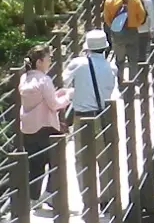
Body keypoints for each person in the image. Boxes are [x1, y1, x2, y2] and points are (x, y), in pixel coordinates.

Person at [17, 43, 72, 211]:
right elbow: (54, 105)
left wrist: (57, 94)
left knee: (35, 166)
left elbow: (41, 100)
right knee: (56, 161)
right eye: (48, 59)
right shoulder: (44, 80)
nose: (50, 62)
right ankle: (50, 194)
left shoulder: (24, 79)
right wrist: (68, 97)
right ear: (39, 62)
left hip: (28, 128)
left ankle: (33, 198)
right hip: (46, 128)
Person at [67, 27, 120, 120]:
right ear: (105, 47)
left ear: (87, 48)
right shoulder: (112, 68)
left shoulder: (77, 63)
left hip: (81, 115)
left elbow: (63, 81)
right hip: (103, 114)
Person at [101, 0, 148, 77]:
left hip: (117, 33)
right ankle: (133, 80)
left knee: (119, 60)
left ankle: (120, 80)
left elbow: (106, 19)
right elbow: (142, 16)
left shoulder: (109, 1)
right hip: (132, 31)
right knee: (133, 59)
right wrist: (136, 23)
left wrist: (114, 26)